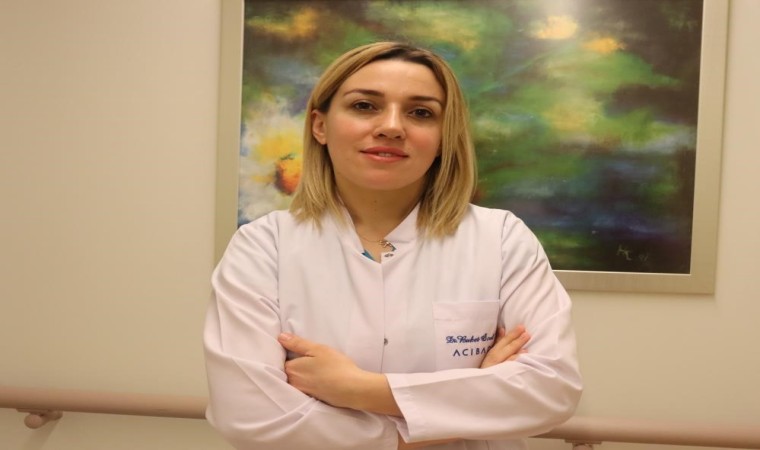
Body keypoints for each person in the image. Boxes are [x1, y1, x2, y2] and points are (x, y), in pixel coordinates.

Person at [204, 41, 582, 450]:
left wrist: (359, 389)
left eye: (421, 113)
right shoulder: (264, 247)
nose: (391, 126)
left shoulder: (502, 238)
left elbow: (551, 388)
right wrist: (463, 407)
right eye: (365, 106)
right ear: (320, 126)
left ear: (444, 136)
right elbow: (249, 414)